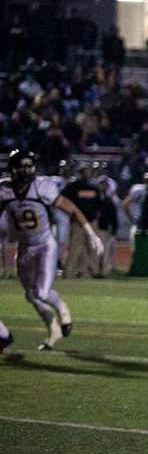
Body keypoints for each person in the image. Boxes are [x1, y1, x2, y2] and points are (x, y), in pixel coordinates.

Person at [1, 150, 103, 350]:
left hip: (45, 245)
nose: (27, 170)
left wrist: (91, 234)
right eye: (23, 166)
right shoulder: (4, 190)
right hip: (23, 247)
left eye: (30, 166)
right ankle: (52, 329)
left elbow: (71, 208)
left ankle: (62, 309)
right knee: (31, 295)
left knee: (42, 292)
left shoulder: (42, 187)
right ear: (13, 169)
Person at [60, 163, 106, 278]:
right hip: (78, 222)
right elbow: (63, 202)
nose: (87, 173)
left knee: (93, 248)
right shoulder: (73, 187)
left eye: (88, 170)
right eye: (84, 171)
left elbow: (101, 205)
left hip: (91, 221)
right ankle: (69, 273)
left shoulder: (95, 187)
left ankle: (91, 272)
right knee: (74, 248)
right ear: (80, 172)